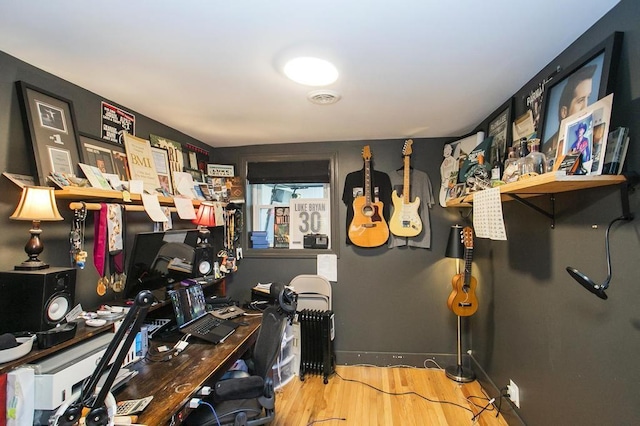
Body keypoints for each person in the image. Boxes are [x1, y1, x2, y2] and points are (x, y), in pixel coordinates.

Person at [543, 64, 597, 158]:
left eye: (588, 98)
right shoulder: (544, 150)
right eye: (580, 101)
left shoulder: (587, 142)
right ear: (564, 112)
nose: (586, 107)